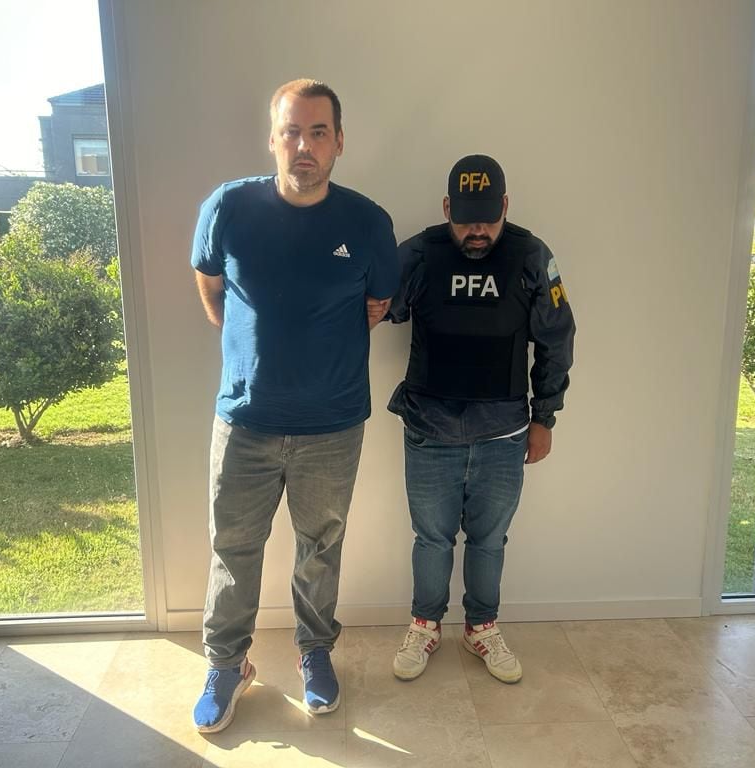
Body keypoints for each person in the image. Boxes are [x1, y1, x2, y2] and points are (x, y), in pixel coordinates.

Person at [190, 78, 399, 733]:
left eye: (317, 132)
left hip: (332, 427)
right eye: (291, 132)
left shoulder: (367, 223)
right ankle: (227, 664)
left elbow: (376, 305)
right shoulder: (228, 208)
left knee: (320, 548)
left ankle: (315, 653)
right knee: (233, 548)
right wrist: (252, 352)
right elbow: (210, 284)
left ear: (339, 142)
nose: (303, 146)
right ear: (272, 138)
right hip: (244, 419)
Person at [373, 154, 575, 684]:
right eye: (466, 220)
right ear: (447, 209)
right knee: (431, 539)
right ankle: (425, 625)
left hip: (504, 434)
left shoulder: (531, 255)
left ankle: (481, 627)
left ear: (505, 205)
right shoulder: (420, 253)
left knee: (489, 541)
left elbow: (556, 339)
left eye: (488, 218)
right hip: (429, 429)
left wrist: (545, 417)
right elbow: (375, 305)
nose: (477, 231)